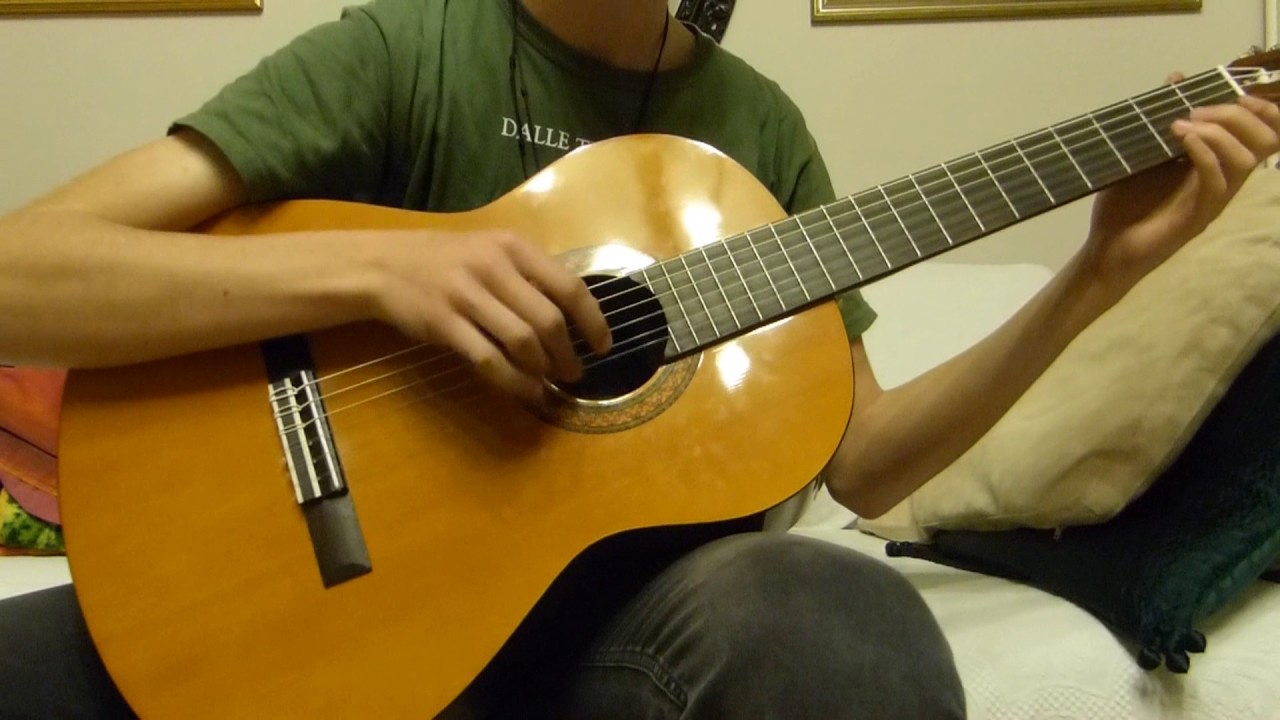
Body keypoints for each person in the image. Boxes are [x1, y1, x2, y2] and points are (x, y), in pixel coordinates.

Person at [1, 0, 1277, 717]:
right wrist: (377, 268)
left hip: (625, 637)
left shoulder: (754, 130)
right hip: (321, 605)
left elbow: (866, 464)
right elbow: (21, 278)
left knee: (830, 614)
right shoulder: (404, 51)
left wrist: (1096, 275)